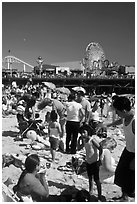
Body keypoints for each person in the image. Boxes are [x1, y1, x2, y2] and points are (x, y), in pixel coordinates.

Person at [98, 96, 135, 201]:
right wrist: (108, 124)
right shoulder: (126, 116)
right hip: (128, 149)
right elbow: (121, 121)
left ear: (123, 110)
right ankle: (124, 196)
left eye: (117, 112)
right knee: (120, 173)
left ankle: (129, 196)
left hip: (134, 153)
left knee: (130, 177)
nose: (117, 114)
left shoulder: (134, 121)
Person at [79, 124, 105, 201]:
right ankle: (91, 191)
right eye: (81, 133)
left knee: (97, 180)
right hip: (88, 162)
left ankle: (99, 194)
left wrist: (100, 158)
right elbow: (79, 148)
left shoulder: (92, 140)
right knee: (90, 178)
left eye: (84, 132)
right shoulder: (84, 140)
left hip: (95, 162)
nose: (82, 134)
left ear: (88, 132)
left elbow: (100, 148)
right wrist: (79, 141)